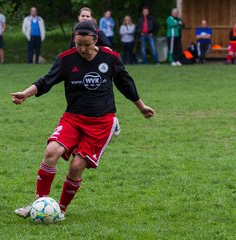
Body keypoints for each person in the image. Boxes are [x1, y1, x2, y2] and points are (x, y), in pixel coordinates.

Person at [12, 21, 155, 221]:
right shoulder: (66, 59)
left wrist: (141, 106)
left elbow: (125, 84)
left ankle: (60, 210)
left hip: (101, 123)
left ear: (95, 40)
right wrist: (25, 94)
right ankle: (38, 204)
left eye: (87, 44)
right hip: (73, 118)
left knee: (77, 165)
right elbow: (47, 80)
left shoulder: (111, 58)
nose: (82, 49)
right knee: (51, 152)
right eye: (79, 44)